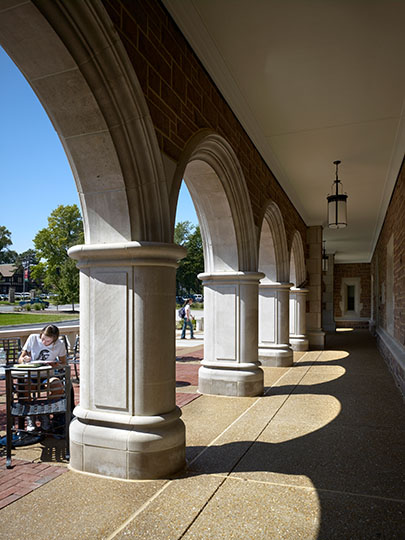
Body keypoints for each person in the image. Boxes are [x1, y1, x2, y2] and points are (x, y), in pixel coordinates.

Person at [18, 324, 67, 431]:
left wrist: (56, 364)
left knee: (57, 386)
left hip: (47, 375)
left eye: (48, 341)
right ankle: (30, 416)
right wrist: (25, 359)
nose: (44, 342)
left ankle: (46, 413)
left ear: (54, 340)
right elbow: (20, 359)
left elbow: (64, 363)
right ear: (41, 334)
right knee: (25, 386)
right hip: (31, 374)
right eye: (43, 339)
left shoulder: (60, 344)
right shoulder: (33, 338)